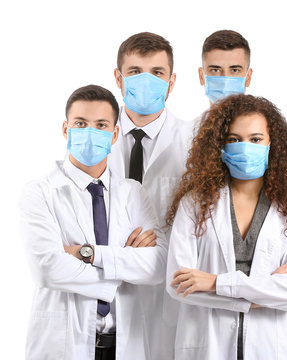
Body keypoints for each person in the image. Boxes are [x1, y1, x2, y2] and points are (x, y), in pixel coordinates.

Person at [19, 85, 167, 359]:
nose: (91, 132)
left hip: (124, 344)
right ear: (66, 130)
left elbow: (158, 265)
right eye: (81, 123)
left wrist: (88, 253)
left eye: (101, 125)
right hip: (63, 345)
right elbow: (47, 269)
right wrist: (123, 267)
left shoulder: (133, 192)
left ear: (113, 135)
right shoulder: (40, 192)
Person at [165, 94, 287, 360]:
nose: (245, 148)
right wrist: (264, 292)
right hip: (208, 346)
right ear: (219, 147)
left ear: (273, 144)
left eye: (256, 140)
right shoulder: (195, 204)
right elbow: (179, 284)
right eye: (234, 140)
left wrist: (214, 283)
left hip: (270, 347)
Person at [109, 32, 193, 358]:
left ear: (171, 82)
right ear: (118, 78)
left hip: (169, 294)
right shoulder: (95, 138)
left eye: (157, 73)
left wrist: (158, 241)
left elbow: (202, 224)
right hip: (109, 290)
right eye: (134, 72)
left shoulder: (192, 142)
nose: (146, 82)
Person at [198, 30, 253, 106]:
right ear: (201, 76)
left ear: (248, 78)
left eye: (234, 70)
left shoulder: (264, 118)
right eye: (215, 70)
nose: (225, 82)